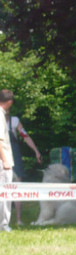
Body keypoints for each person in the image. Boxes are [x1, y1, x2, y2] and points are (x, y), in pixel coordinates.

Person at [0, 90, 14, 232]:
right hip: (2, 161)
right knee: (5, 192)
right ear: (9, 102)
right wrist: (5, 161)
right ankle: (3, 225)